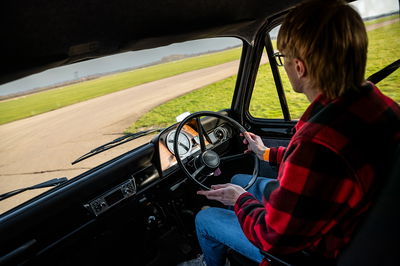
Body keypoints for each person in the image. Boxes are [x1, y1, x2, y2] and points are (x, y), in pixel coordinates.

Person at [180, 0, 400, 265]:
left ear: (300, 67)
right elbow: (326, 169)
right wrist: (265, 153)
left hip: (311, 250)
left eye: (282, 58)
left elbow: (272, 238)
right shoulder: (378, 106)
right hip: (346, 219)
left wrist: (241, 200)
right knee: (239, 177)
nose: (282, 65)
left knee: (205, 218)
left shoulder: (316, 141)